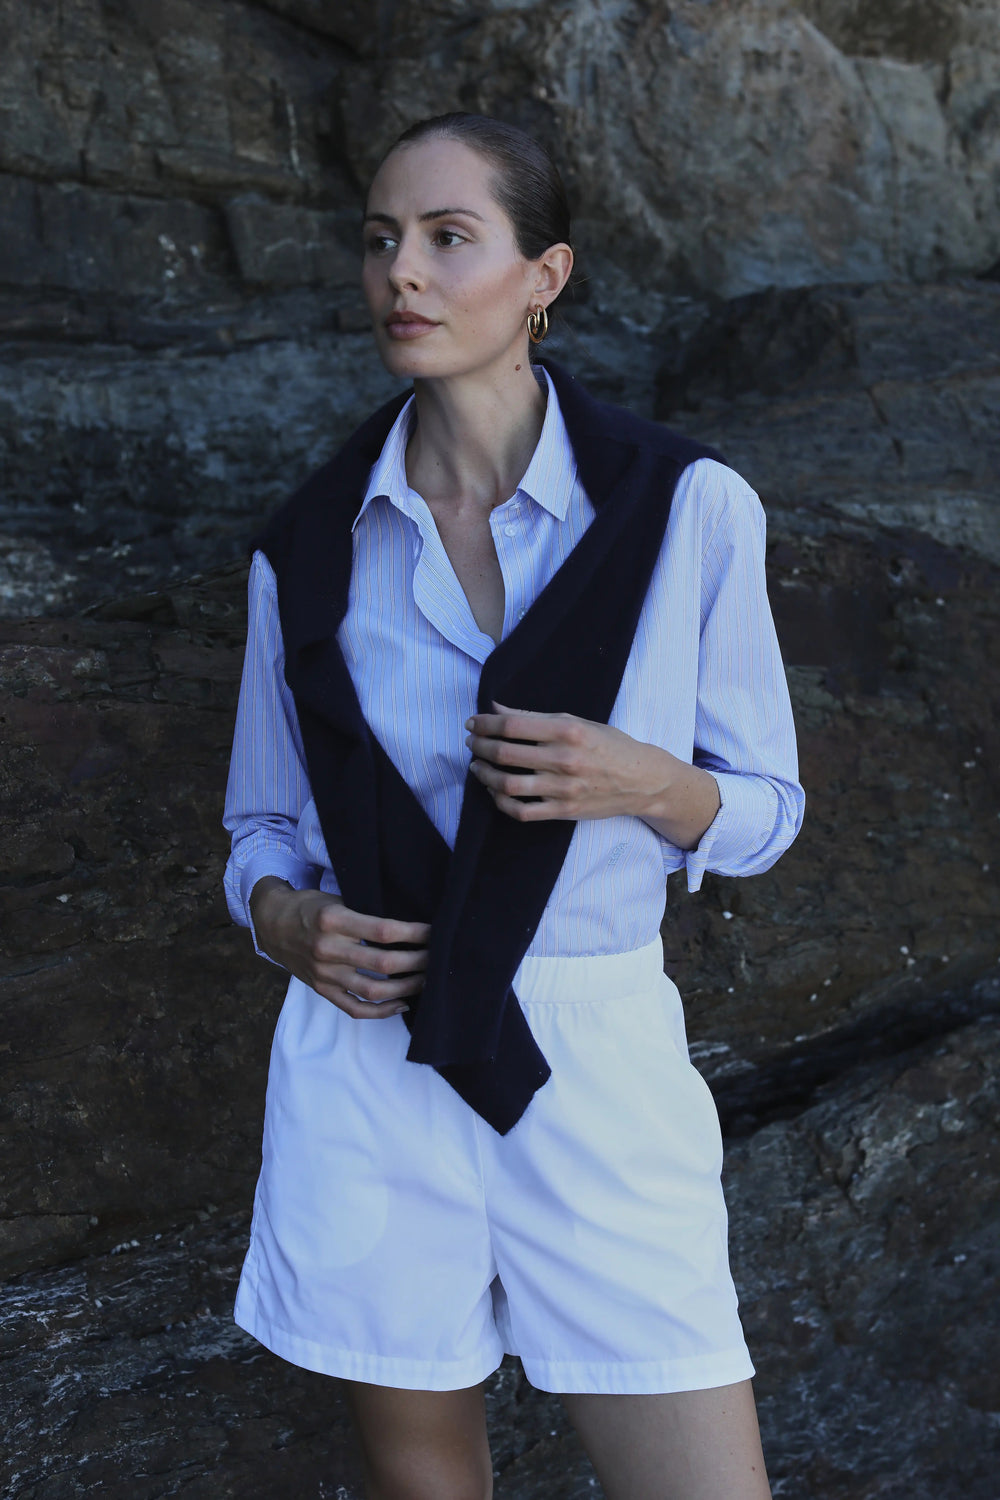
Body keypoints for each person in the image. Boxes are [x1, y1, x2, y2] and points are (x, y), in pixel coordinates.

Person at [223, 111, 804, 1500]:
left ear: (546, 274)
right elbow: (261, 831)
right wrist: (286, 922)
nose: (403, 273)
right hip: (374, 1061)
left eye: (448, 237)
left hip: (596, 1055)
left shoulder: (688, 509)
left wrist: (647, 782)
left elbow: (768, 808)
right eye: (381, 240)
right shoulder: (306, 547)